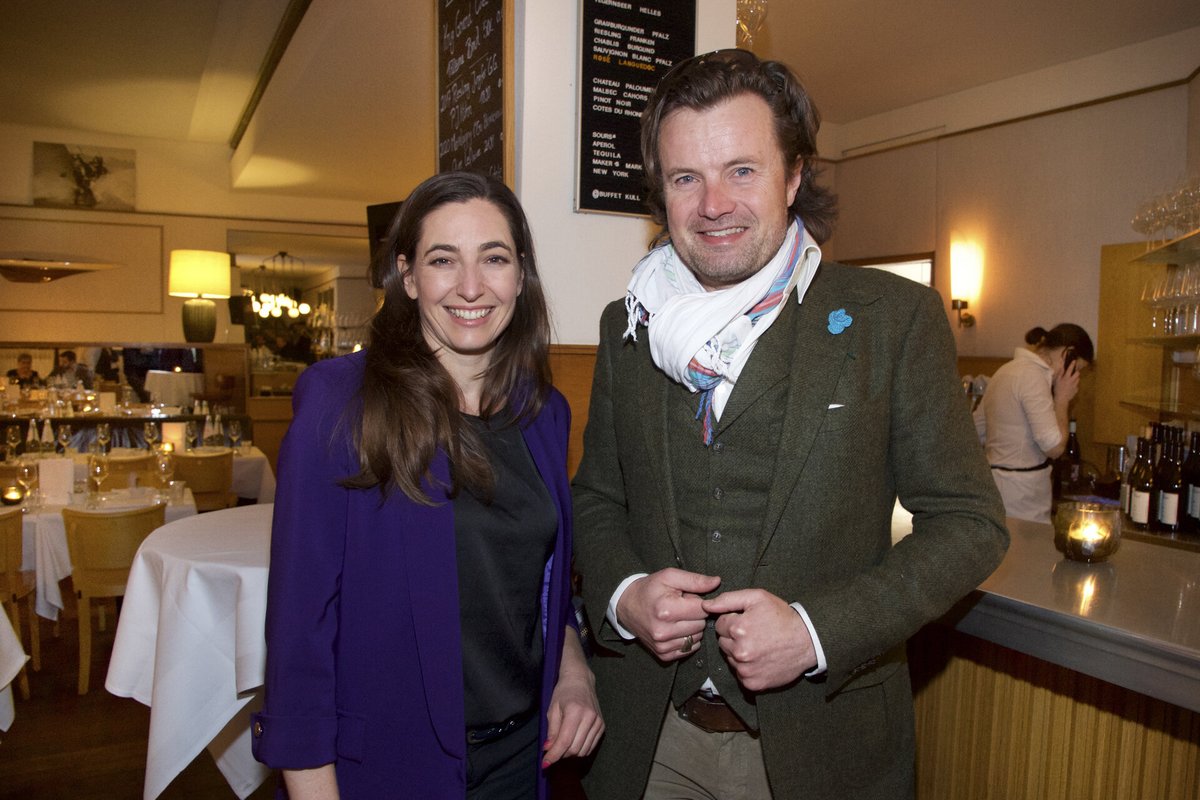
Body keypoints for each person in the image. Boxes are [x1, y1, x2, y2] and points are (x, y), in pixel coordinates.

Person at [571, 49, 1009, 799]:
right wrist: (623, 595)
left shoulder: (891, 320)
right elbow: (597, 498)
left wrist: (816, 632)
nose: (714, 204)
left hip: (823, 751)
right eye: (685, 178)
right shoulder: (626, 327)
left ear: (794, 177)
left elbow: (970, 525)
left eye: (742, 170)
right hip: (648, 741)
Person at [252, 172, 603, 799]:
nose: (471, 286)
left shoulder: (544, 412)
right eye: (443, 260)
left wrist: (573, 672)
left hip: (524, 759)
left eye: (494, 258)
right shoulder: (341, 404)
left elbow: (537, 585)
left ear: (521, 274)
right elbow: (299, 635)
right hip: (388, 768)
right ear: (408, 276)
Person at [973, 324, 1094, 523]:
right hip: (1022, 498)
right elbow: (1054, 448)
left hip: (994, 487)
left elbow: (975, 431)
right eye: (1077, 369)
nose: (1077, 378)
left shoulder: (1004, 371)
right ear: (1068, 355)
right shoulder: (1033, 376)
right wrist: (1062, 398)